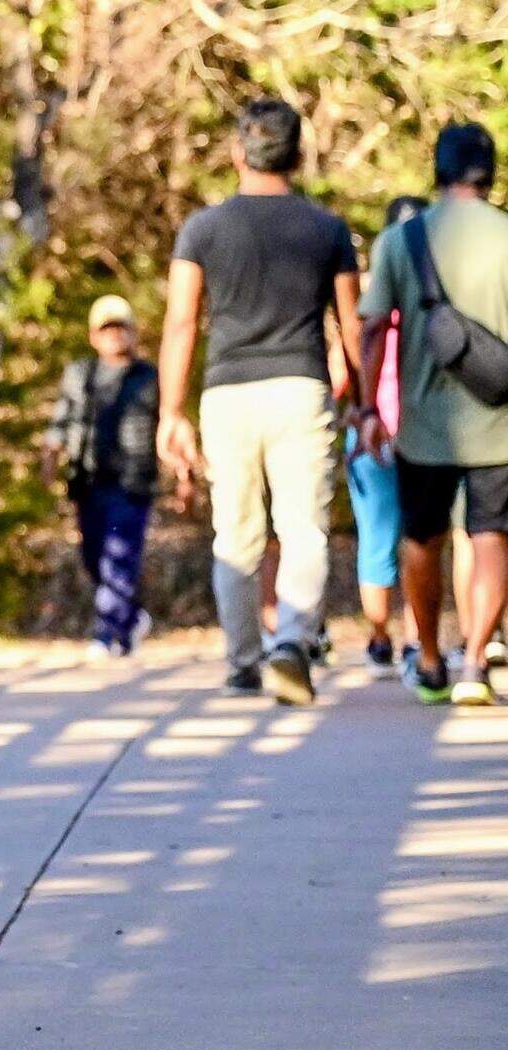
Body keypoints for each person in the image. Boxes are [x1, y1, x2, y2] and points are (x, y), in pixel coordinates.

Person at [157, 97, 363, 704]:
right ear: (300, 155)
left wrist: (172, 411)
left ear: (236, 152)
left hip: (228, 394)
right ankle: (293, 643)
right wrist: (370, 401)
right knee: (303, 530)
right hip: (301, 389)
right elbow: (351, 328)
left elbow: (181, 323)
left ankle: (243, 661)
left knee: (236, 535)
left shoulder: (203, 229)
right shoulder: (326, 230)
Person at [360, 123, 508, 706]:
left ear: (438, 170)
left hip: (422, 424)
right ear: (490, 171)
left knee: (421, 539)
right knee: (492, 536)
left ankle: (428, 658)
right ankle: (475, 661)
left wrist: (370, 407)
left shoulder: (402, 240)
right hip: (500, 424)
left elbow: (372, 330)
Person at [46, 294, 160, 656]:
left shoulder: (149, 377)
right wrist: (50, 454)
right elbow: (62, 419)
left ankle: (105, 632)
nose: (114, 335)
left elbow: (165, 423)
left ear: (133, 333)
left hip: (132, 482)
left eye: (121, 327)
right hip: (89, 481)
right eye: (106, 329)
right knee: (94, 556)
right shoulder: (80, 375)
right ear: (93, 336)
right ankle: (129, 623)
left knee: (119, 555)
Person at [346, 197, 426, 673]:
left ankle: (381, 639)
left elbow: (344, 368)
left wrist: (357, 411)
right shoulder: (442, 289)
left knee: (378, 536)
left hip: (374, 426)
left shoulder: (369, 299)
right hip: (423, 428)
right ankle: (416, 639)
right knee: (421, 536)